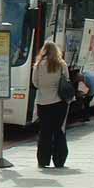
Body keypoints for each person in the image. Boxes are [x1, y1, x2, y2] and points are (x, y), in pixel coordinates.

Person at [32, 40, 71, 168]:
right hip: (59, 101)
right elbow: (66, 80)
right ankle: (59, 160)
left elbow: (35, 83)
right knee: (58, 130)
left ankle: (43, 160)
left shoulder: (38, 65)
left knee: (44, 131)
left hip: (42, 101)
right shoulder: (61, 64)